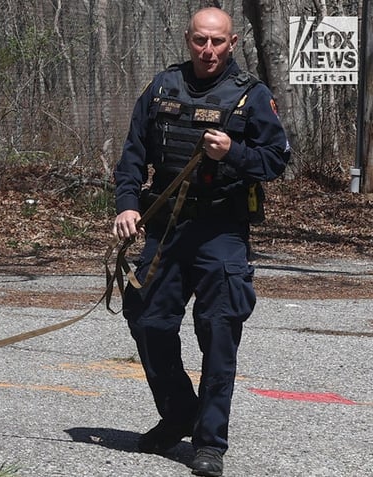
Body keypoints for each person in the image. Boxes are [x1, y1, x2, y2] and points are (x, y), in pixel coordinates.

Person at [112, 7, 290, 477]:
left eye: (217, 42)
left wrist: (235, 152)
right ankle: (178, 415)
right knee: (147, 319)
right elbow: (132, 155)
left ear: (232, 43)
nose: (207, 50)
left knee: (218, 334)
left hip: (222, 231)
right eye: (199, 41)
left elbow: (275, 160)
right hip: (168, 227)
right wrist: (127, 205)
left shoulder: (252, 96)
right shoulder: (161, 89)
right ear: (188, 40)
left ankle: (209, 443)